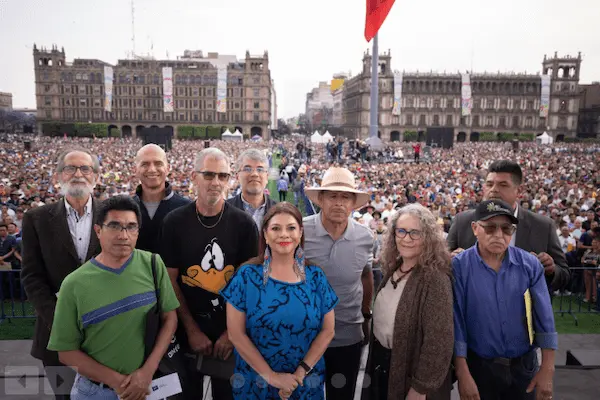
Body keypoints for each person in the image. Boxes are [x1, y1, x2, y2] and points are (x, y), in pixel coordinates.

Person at [47, 196, 179, 400]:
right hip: (96, 392)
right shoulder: (73, 284)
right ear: (98, 230)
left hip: (148, 386)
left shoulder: (152, 264)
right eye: (114, 226)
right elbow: (66, 352)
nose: (123, 235)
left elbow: (170, 318)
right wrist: (120, 383)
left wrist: (147, 371)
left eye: (131, 227)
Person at [160, 147, 259, 400]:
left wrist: (230, 333)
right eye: (209, 175)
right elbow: (169, 279)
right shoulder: (174, 222)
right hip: (186, 333)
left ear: (229, 180)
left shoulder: (244, 224)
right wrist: (191, 330)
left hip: (231, 335)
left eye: (222, 176)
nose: (216, 182)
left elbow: (250, 284)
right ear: (194, 177)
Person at [221, 202, 338, 399]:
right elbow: (235, 334)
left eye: (291, 228)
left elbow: (328, 330)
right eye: (276, 228)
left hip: (305, 383)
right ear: (265, 235)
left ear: (300, 233)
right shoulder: (246, 276)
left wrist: (299, 374)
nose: (284, 234)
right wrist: (272, 377)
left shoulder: (316, 276)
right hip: (256, 384)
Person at [453, 200, 557, 400]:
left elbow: (545, 319)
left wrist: (547, 368)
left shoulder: (530, 265)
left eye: (507, 229)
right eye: (490, 228)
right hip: (479, 368)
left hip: (524, 366)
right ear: (475, 228)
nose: (499, 235)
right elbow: (457, 323)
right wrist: (462, 373)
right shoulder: (459, 267)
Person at [21, 147, 102, 400]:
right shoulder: (36, 219)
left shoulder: (112, 215)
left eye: (85, 168)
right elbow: (32, 276)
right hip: (55, 335)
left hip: (105, 331)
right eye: (70, 168)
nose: (78, 174)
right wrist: (60, 320)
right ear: (58, 176)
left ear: (96, 177)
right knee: (64, 396)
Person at [361, 204, 454, 400]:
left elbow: (439, 341)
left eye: (415, 233)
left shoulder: (435, 279)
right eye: (401, 231)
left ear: (428, 237)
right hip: (381, 365)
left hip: (410, 376)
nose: (406, 238)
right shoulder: (393, 269)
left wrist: (420, 388)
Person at [303, 167, 374, 400]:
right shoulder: (299, 231)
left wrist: (366, 314)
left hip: (347, 335)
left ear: (353, 203)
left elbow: (366, 275)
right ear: (321, 199)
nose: (339, 203)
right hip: (305, 336)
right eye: (332, 196)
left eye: (345, 197)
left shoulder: (365, 237)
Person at [447, 160, 569, 292]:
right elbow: (440, 264)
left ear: (519, 190)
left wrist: (551, 270)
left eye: (503, 185)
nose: (494, 190)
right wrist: (449, 260)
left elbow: (564, 276)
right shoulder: (462, 221)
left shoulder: (543, 226)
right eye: (489, 184)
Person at [133, 144, 190, 254]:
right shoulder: (125, 209)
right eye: (145, 164)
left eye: (158, 163)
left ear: (168, 168)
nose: (152, 169)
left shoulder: (188, 209)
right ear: (136, 170)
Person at [227, 148, 276, 229]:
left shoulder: (279, 211)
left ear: (267, 177)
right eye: (247, 169)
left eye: (260, 169)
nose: (254, 174)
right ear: (237, 176)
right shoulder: (223, 211)